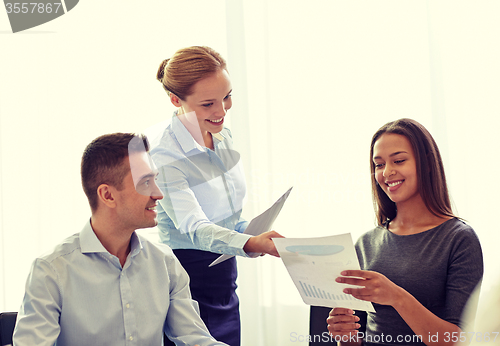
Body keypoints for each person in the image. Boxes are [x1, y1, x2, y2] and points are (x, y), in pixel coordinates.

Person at [12, 133, 228, 346]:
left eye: (155, 180)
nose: (158, 193)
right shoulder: (51, 271)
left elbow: (195, 339)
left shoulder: (165, 263)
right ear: (107, 195)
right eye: (145, 182)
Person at [153, 46, 283, 346]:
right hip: (187, 283)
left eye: (227, 96)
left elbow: (226, 218)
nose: (222, 111)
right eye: (208, 103)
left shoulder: (222, 135)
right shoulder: (164, 155)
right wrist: (249, 243)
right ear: (176, 100)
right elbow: (193, 227)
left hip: (225, 276)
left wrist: (252, 231)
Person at [326, 118, 483, 346]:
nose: (387, 172)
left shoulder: (459, 239)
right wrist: (346, 337)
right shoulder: (366, 243)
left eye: (398, 160)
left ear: (427, 163)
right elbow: (356, 340)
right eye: (379, 165)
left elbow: (456, 341)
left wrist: (397, 297)